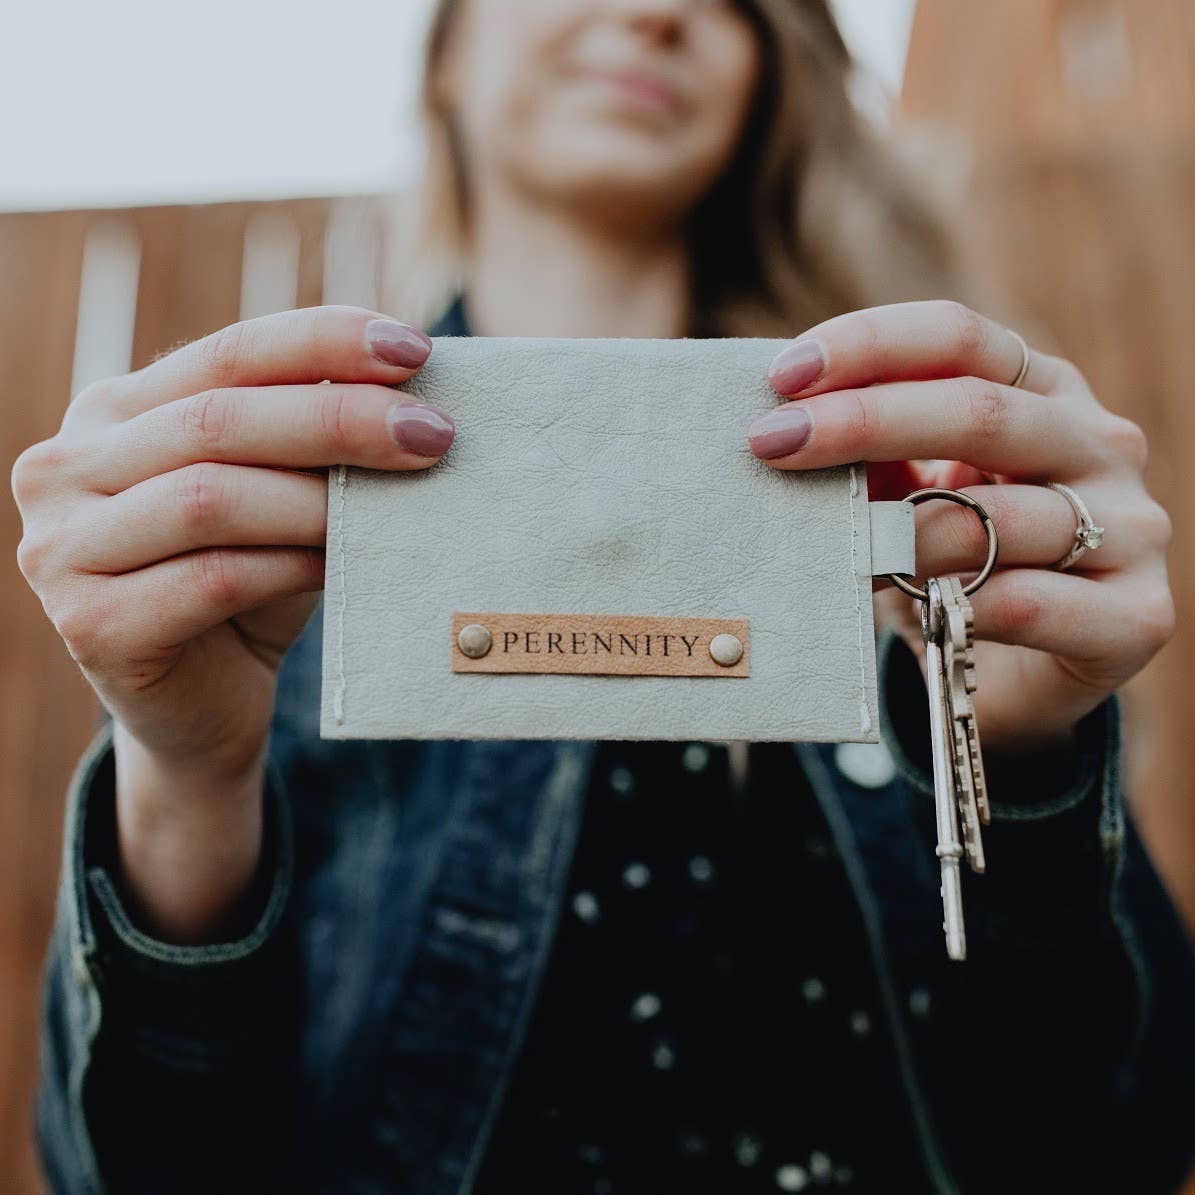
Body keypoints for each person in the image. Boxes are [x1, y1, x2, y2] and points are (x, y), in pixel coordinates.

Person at [11, 1, 1195, 1191]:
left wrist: (1026, 758)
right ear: (444, 61)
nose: (651, 10)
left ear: (766, 77)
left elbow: (1124, 1144)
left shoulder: (930, 512)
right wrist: (183, 778)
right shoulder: (277, 545)